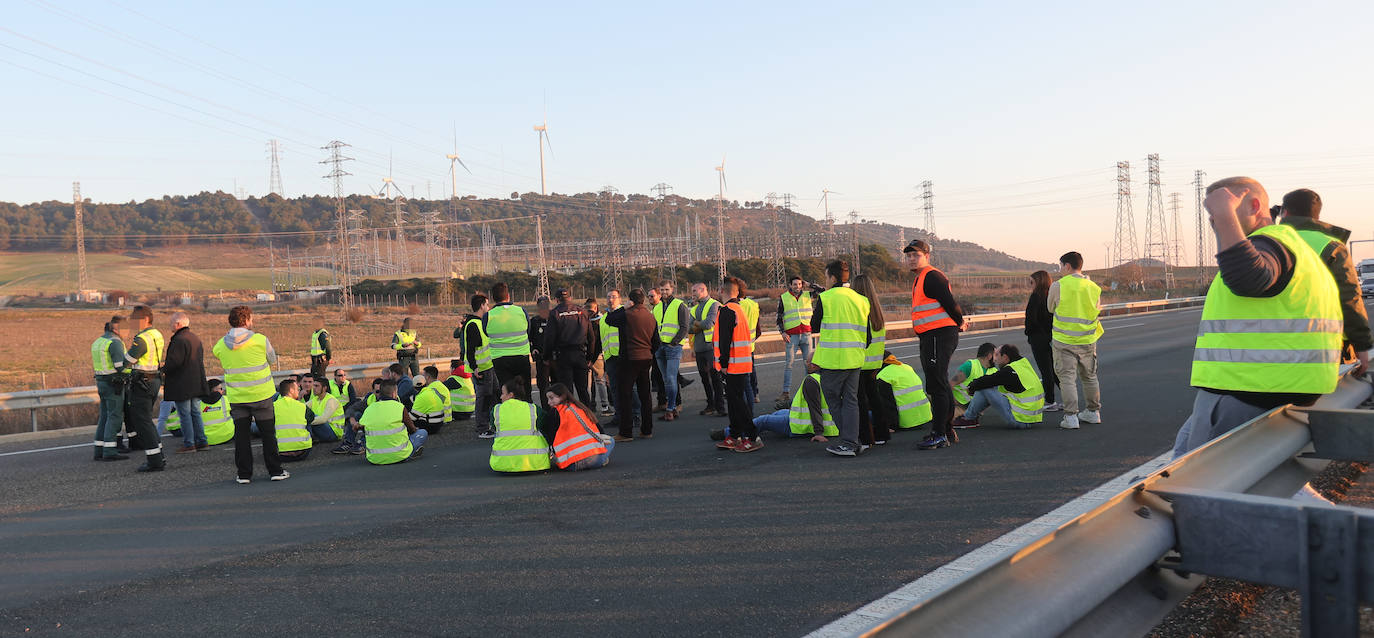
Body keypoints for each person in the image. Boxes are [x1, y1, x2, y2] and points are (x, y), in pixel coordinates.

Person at [1172, 178, 1342, 457]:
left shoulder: (1268, 244)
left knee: (1203, 485)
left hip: (1244, 391)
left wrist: (1227, 215)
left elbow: (1249, 278)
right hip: (1277, 390)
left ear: (1253, 205)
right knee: (1180, 466)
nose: (1214, 220)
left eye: (1218, 210)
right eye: (1212, 213)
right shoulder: (1296, 249)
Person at [1278, 188, 1371, 376]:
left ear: (1285, 212)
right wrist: (1362, 345)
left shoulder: (1264, 240)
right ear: (1317, 216)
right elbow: (1349, 298)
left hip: (1270, 348)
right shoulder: (1331, 246)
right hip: (1322, 346)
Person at [212, 305, 288, 484]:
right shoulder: (260, 340)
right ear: (246, 320)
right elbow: (272, 359)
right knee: (268, 435)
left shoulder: (221, 344)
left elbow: (218, 355)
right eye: (251, 319)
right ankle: (275, 470)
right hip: (261, 395)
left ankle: (244, 474)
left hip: (238, 398)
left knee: (242, 437)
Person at [904, 239, 969, 450]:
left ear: (927, 256)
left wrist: (960, 321)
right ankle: (946, 429)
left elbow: (950, 302)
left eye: (916, 255)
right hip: (931, 336)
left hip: (938, 335)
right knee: (937, 382)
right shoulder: (921, 278)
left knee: (937, 384)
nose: (912, 259)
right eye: (909, 255)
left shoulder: (931, 276)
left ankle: (939, 433)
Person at [810, 260, 871, 457]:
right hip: (855, 358)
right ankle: (854, 441)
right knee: (851, 401)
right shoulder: (861, 299)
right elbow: (867, 336)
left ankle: (849, 442)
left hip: (833, 360)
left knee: (834, 400)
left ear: (832, 278)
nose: (825, 281)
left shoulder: (826, 298)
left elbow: (814, 326)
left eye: (826, 277)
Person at [713, 359, 836, 441]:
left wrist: (818, 433)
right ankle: (752, 429)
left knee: (763, 420)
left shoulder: (811, 380)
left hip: (802, 426)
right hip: (817, 422)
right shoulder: (827, 377)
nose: (806, 364)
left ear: (814, 365)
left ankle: (728, 433)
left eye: (807, 362)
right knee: (777, 414)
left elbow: (814, 408)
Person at [1049, 251, 1104, 429]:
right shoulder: (1093, 287)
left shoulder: (1059, 285)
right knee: (1089, 376)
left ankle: (1071, 416)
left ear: (1067, 266)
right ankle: (1093, 412)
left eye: (1060, 266)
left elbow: (1050, 308)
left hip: (1064, 340)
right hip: (1088, 339)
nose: (1060, 270)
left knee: (1067, 378)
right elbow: (1096, 310)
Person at [714, 277, 762, 453]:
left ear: (722, 291)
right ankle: (735, 435)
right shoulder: (738, 309)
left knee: (737, 402)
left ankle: (752, 436)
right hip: (742, 362)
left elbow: (725, 340)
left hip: (733, 364)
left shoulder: (726, 310)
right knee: (735, 401)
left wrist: (723, 363)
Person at [606, 288, 658, 441]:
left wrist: (625, 307)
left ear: (631, 300)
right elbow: (656, 341)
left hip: (629, 358)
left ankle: (626, 432)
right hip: (645, 358)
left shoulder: (627, 314)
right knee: (645, 395)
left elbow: (609, 319)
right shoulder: (650, 316)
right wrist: (649, 352)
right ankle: (647, 430)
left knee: (625, 395)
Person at [952, 344, 1045, 429]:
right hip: (1031, 418)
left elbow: (987, 381)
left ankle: (968, 418)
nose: (995, 360)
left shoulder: (1009, 371)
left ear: (1005, 357)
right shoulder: (1023, 364)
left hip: (1020, 420)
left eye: (997, 355)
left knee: (986, 388)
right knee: (992, 386)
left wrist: (971, 387)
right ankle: (971, 416)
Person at [122, 305, 168, 472]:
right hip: (154, 380)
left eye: (134, 319)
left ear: (145, 319)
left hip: (142, 382)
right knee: (147, 420)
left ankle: (154, 460)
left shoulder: (141, 339)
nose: (132, 322)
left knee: (142, 422)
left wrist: (122, 362)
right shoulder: (157, 334)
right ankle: (158, 455)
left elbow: (127, 360)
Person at [162, 311, 209, 454]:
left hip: (182, 384)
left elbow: (174, 363)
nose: (170, 325)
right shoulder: (195, 338)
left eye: (172, 322)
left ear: (178, 324)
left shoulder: (178, 340)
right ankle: (202, 441)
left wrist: (162, 369)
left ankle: (189, 443)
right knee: (196, 412)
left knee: (185, 415)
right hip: (196, 382)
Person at [853, 274, 889, 447]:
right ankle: (882, 434)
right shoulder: (877, 310)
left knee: (860, 401)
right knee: (875, 398)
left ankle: (866, 438)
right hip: (875, 362)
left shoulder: (859, 309)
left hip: (860, 361)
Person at [544, 288, 595, 406]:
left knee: (567, 391)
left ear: (556, 300)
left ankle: (570, 417)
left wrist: (546, 357)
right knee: (583, 390)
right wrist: (589, 358)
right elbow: (591, 338)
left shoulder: (555, 313)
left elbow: (549, 338)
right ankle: (588, 418)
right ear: (570, 298)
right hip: (580, 354)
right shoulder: (582, 312)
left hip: (563, 356)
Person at [357, 379, 427, 465]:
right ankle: (409, 453)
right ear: (394, 393)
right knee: (422, 432)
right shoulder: (400, 407)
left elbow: (362, 428)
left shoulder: (369, 409)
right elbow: (412, 430)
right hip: (400, 455)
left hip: (374, 458)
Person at [546, 382, 614, 471]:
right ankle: (602, 458)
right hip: (594, 461)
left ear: (562, 396)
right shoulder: (581, 408)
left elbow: (550, 436)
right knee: (611, 440)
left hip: (569, 465)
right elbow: (600, 431)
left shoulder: (555, 412)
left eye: (551, 398)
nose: (548, 402)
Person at [489, 377, 550, 472]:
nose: (501, 397)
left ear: (511, 395)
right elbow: (547, 424)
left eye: (503, 393)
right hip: (536, 463)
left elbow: (494, 427)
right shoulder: (533, 409)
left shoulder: (496, 410)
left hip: (502, 464)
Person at [484, 283, 534, 401]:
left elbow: (486, 333)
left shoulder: (488, 316)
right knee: (525, 391)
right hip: (521, 357)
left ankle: (510, 417)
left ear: (493, 298)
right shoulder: (521, 311)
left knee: (507, 392)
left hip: (500, 359)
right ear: (508, 296)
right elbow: (528, 330)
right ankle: (528, 416)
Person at [459, 293, 498, 437]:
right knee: (484, 398)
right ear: (482, 306)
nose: (488, 307)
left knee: (494, 395)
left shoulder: (480, 322)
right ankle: (482, 428)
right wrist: (475, 368)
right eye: (486, 305)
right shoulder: (473, 324)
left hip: (488, 366)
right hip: (481, 368)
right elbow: (470, 349)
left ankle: (492, 424)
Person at [652, 279, 690, 421]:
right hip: (659, 347)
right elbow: (654, 328)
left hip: (672, 347)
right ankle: (672, 408)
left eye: (666, 290)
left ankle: (670, 408)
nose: (664, 292)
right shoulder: (656, 307)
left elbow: (684, 327)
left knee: (670, 378)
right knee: (665, 379)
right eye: (662, 290)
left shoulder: (679, 305)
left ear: (672, 289)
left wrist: (673, 343)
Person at [92, 315, 129, 460]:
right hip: (114, 383)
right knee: (115, 416)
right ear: (117, 329)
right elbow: (120, 366)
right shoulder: (115, 342)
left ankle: (99, 450)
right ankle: (109, 451)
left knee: (105, 416)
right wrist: (134, 370)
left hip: (101, 382)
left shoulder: (98, 341)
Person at [1024, 270, 1061, 411]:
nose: (1030, 285)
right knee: (1054, 370)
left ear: (1038, 282)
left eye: (1032, 282)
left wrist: (1029, 333)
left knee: (1046, 371)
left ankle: (1050, 401)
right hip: (1053, 337)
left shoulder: (1036, 297)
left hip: (1038, 338)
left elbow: (1031, 319)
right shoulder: (1052, 296)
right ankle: (1070, 399)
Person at [775, 276, 815, 407]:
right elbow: (779, 318)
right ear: (790, 285)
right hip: (792, 336)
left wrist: (809, 284)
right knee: (789, 364)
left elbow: (824, 290)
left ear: (802, 285)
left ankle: (807, 390)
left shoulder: (808, 295)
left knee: (808, 364)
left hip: (806, 334)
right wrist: (783, 332)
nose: (797, 286)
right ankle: (786, 392)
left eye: (799, 284)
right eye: (795, 284)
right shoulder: (784, 297)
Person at [688, 282, 726, 417]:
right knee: (704, 378)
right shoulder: (694, 308)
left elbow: (709, 324)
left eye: (694, 291)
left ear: (703, 290)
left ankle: (720, 406)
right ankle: (710, 405)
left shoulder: (714, 304)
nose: (692, 294)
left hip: (711, 347)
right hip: (699, 348)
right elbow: (689, 328)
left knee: (715, 377)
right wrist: (699, 325)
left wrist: (697, 324)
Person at [875, 352, 933, 431]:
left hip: (907, 422)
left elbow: (887, 403)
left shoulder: (883, 376)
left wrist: (891, 426)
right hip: (926, 417)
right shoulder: (907, 367)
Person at [591, 289, 623, 418]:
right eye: (609, 297)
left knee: (628, 389)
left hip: (623, 357)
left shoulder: (624, 314)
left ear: (620, 299)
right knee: (614, 389)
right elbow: (600, 340)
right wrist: (592, 358)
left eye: (614, 297)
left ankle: (635, 414)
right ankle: (619, 416)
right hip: (609, 358)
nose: (611, 299)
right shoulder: (604, 318)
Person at [332, 378, 383, 455]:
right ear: (373, 391)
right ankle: (349, 442)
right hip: (370, 423)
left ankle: (362, 443)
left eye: (382, 391)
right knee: (356, 414)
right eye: (378, 391)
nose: (380, 394)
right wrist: (352, 419)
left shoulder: (391, 400)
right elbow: (352, 408)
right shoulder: (370, 399)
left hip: (381, 427)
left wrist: (362, 423)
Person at [274, 378, 315, 462]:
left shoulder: (272, 406)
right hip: (303, 452)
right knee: (306, 420)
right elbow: (311, 418)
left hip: (280, 454)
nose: (298, 391)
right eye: (297, 389)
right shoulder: (302, 406)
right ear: (291, 390)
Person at [950, 343, 997, 415]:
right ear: (989, 356)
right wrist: (955, 403)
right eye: (995, 355)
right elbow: (950, 385)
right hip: (959, 403)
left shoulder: (993, 371)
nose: (997, 359)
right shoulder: (970, 366)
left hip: (972, 405)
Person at [585, 298, 611, 414]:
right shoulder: (600, 320)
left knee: (596, 382)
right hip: (594, 356)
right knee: (597, 382)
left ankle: (596, 406)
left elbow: (598, 342)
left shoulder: (593, 321)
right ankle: (601, 405)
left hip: (595, 356)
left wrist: (590, 359)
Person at [737, 282, 762, 404]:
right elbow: (758, 329)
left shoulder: (735, 306)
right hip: (750, 344)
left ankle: (747, 397)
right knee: (752, 371)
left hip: (738, 346)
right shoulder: (753, 304)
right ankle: (755, 394)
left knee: (742, 374)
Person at [305, 374, 344, 443]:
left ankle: (309, 438)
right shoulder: (316, 399)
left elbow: (323, 419)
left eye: (317, 386)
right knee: (306, 415)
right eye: (313, 385)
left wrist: (304, 422)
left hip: (334, 433)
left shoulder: (331, 400)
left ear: (324, 388)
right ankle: (309, 438)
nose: (313, 388)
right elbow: (302, 408)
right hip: (324, 430)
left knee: (310, 417)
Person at [410, 368, 451, 434]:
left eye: (423, 376)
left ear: (428, 377)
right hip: (445, 418)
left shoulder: (431, 388)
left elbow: (412, 417)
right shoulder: (440, 385)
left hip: (439, 421)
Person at [529, 296, 553, 407]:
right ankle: (545, 409)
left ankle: (557, 411)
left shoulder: (555, 318)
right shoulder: (534, 321)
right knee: (543, 385)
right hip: (541, 359)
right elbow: (530, 338)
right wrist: (532, 350)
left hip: (555, 358)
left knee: (557, 384)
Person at [199, 379, 234, 446]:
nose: (223, 390)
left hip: (207, 439)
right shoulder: (225, 399)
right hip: (227, 435)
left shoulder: (198, 404)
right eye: (220, 388)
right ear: (214, 390)